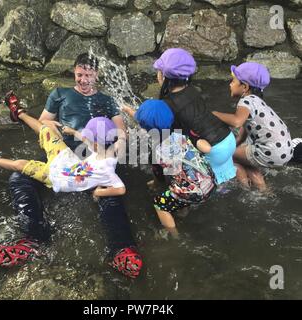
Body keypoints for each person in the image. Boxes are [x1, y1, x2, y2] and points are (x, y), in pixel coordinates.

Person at [0, 53, 142, 278]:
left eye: (89, 75)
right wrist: (55, 124)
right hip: (62, 155)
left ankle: (121, 249)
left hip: (96, 157)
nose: (84, 80)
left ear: (97, 74)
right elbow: (43, 122)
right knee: (19, 177)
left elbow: (121, 132)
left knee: (111, 193)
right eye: (80, 75)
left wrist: (116, 145)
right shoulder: (61, 94)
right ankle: (33, 240)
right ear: (74, 72)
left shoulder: (107, 100)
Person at [0, 108, 126, 197]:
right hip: (67, 161)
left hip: (59, 178)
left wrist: (98, 192)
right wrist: (73, 132)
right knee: (47, 129)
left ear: (97, 144)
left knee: (21, 165)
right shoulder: (110, 146)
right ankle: (19, 113)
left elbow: (120, 189)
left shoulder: (107, 170)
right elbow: (88, 140)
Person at [123, 99, 216, 238]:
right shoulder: (180, 135)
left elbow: (159, 179)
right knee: (182, 181)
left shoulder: (158, 152)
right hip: (209, 181)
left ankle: (175, 237)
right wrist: (129, 110)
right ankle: (183, 211)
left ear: (145, 128)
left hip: (193, 192)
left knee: (159, 204)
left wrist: (154, 184)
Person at [153, 48, 237, 186]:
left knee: (203, 186)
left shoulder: (167, 104)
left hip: (212, 149)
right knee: (221, 177)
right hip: (228, 139)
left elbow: (167, 135)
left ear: (162, 75)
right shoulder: (192, 90)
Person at [213, 62, 293, 191]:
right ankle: (264, 191)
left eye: (233, 81)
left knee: (227, 154)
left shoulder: (246, 101)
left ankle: (245, 189)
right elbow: (245, 129)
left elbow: (237, 121)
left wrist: (215, 114)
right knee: (246, 158)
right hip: (286, 150)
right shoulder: (258, 102)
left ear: (245, 87)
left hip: (270, 150)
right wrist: (236, 143)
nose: (230, 84)